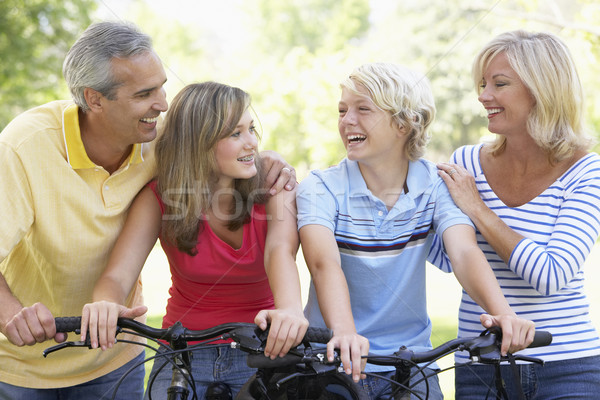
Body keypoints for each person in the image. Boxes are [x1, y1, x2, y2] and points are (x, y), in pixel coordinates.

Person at [0, 22, 296, 399]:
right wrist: (11, 313)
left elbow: (214, 142)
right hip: (25, 362)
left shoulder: (155, 137)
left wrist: (267, 159)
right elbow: (117, 276)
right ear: (95, 99)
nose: (162, 104)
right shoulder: (22, 147)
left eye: (161, 86)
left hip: (112, 356)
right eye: (145, 93)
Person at [296, 62, 536, 400]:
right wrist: (345, 333)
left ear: (404, 123)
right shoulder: (320, 188)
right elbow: (323, 264)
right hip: (332, 365)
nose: (347, 120)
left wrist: (503, 314)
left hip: (411, 368)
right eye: (342, 110)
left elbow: (465, 252)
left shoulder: (436, 185)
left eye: (363, 109)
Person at [79, 81, 308, 398]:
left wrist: (291, 310)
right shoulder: (159, 198)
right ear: (198, 142)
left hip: (261, 349)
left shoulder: (274, 187)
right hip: (182, 354)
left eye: (251, 129)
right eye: (235, 134)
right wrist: (106, 302)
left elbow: (280, 251)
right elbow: (117, 275)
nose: (252, 143)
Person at [434, 30, 600, 399]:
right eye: (482, 83)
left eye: (499, 83)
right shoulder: (465, 164)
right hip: (482, 365)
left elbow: (551, 273)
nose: (483, 95)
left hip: (567, 367)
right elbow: (444, 256)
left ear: (542, 90)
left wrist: (477, 208)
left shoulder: (587, 172)